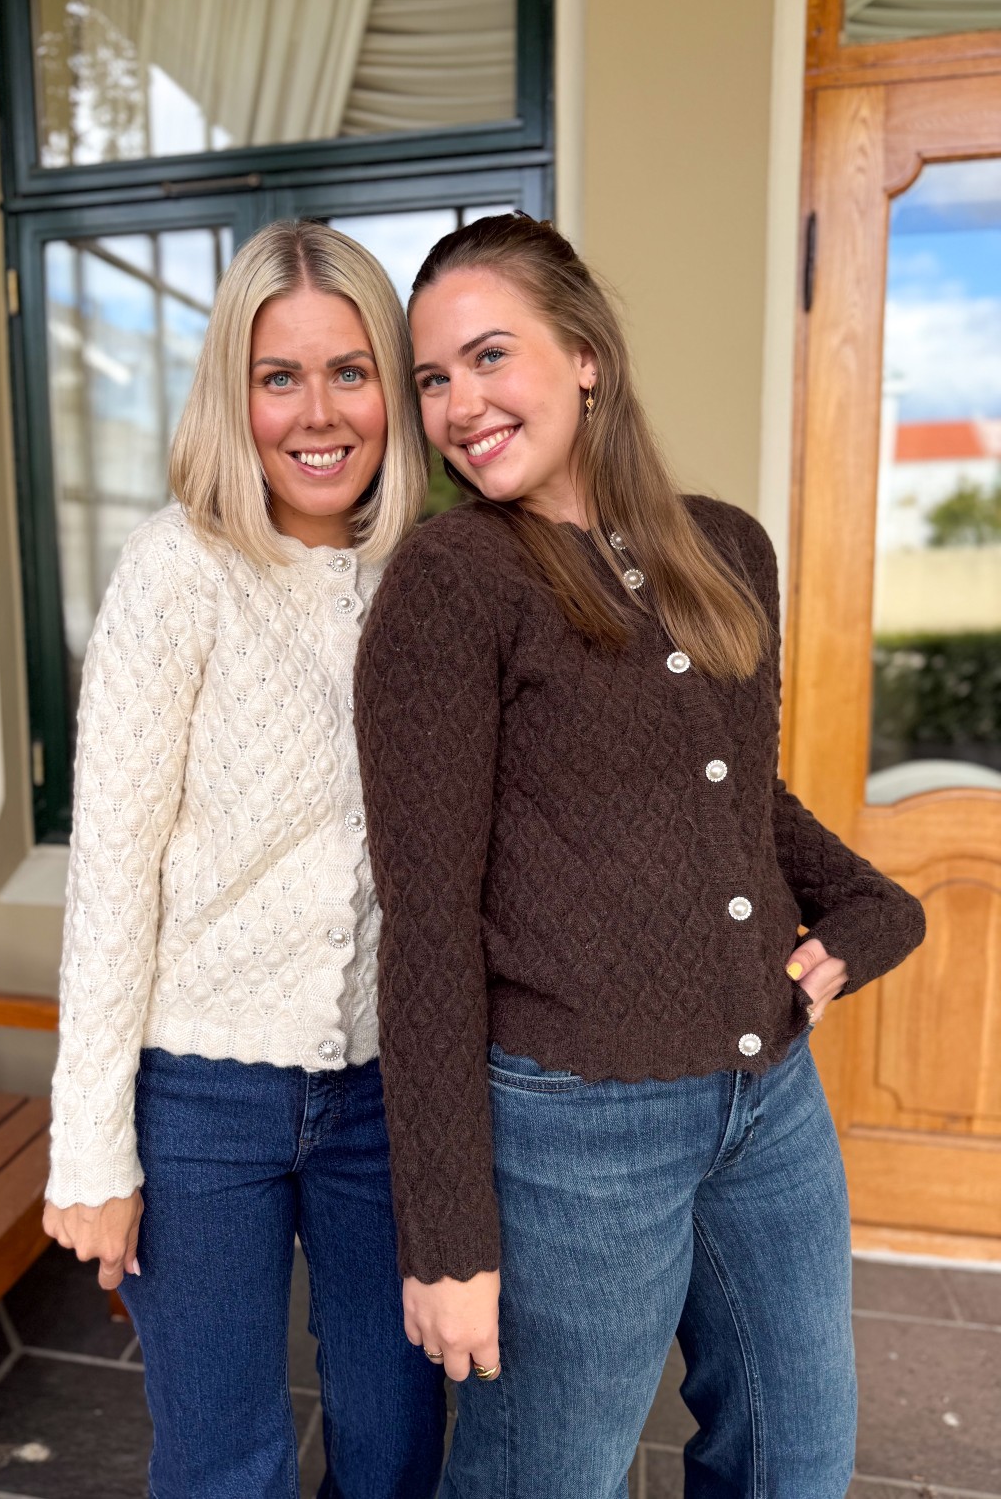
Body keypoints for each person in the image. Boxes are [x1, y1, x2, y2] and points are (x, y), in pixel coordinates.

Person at [353, 212, 926, 1498]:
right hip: (577, 1130)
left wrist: (870, 908)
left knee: (798, 1457)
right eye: (432, 379)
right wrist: (446, 1238)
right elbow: (427, 926)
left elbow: (736, 799)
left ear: (586, 355)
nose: (459, 405)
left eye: (490, 356)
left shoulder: (728, 547)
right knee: (549, 1476)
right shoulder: (453, 583)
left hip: (769, 1099)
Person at [41, 219, 446, 1499]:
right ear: (237, 395)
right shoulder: (177, 570)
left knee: (396, 1447)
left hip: (388, 1095)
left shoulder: (435, 573)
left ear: (392, 390)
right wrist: (90, 1149)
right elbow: (112, 875)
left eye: (350, 371)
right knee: (226, 1461)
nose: (318, 414)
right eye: (281, 377)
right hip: (201, 1099)